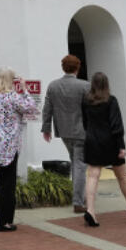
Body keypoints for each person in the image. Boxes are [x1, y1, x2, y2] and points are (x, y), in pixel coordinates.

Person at [0, 67, 39, 232]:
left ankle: (0, 211)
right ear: (11, 80)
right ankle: (3, 222)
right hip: (7, 147)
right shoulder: (12, 96)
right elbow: (32, 107)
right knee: (7, 184)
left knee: (1, 180)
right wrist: (24, 89)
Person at [80, 72, 126, 227]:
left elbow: (85, 122)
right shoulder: (111, 100)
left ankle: (91, 210)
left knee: (92, 176)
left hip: (92, 140)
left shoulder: (86, 101)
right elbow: (116, 125)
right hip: (111, 141)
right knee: (122, 177)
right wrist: (121, 146)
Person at [41, 55, 91, 213]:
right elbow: (92, 109)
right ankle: (78, 201)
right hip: (82, 131)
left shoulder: (53, 85)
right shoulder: (85, 86)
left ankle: (79, 197)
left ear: (63, 67)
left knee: (75, 162)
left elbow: (47, 108)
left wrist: (46, 128)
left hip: (63, 130)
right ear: (78, 67)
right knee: (80, 165)